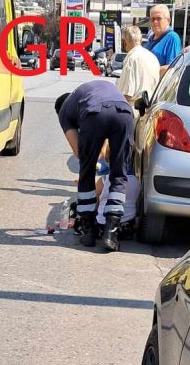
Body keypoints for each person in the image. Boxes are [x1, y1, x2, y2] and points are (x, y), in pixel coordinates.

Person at [55, 80, 134, 252]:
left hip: (94, 115)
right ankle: (111, 233)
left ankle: (88, 231)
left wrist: (89, 148)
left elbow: (78, 151)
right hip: (125, 113)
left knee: (86, 172)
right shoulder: (85, 94)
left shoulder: (64, 113)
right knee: (119, 175)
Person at [115, 25, 160, 111]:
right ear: (140, 40)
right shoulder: (152, 57)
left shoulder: (131, 58)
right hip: (151, 110)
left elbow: (127, 93)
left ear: (124, 42)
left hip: (134, 111)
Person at [146, 4, 182, 75]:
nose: (155, 22)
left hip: (159, 85)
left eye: (158, 18)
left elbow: (172, 68)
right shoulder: (151, 38)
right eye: (152, 19)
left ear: (168, 20)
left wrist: (147, 70)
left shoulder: (172, 38)